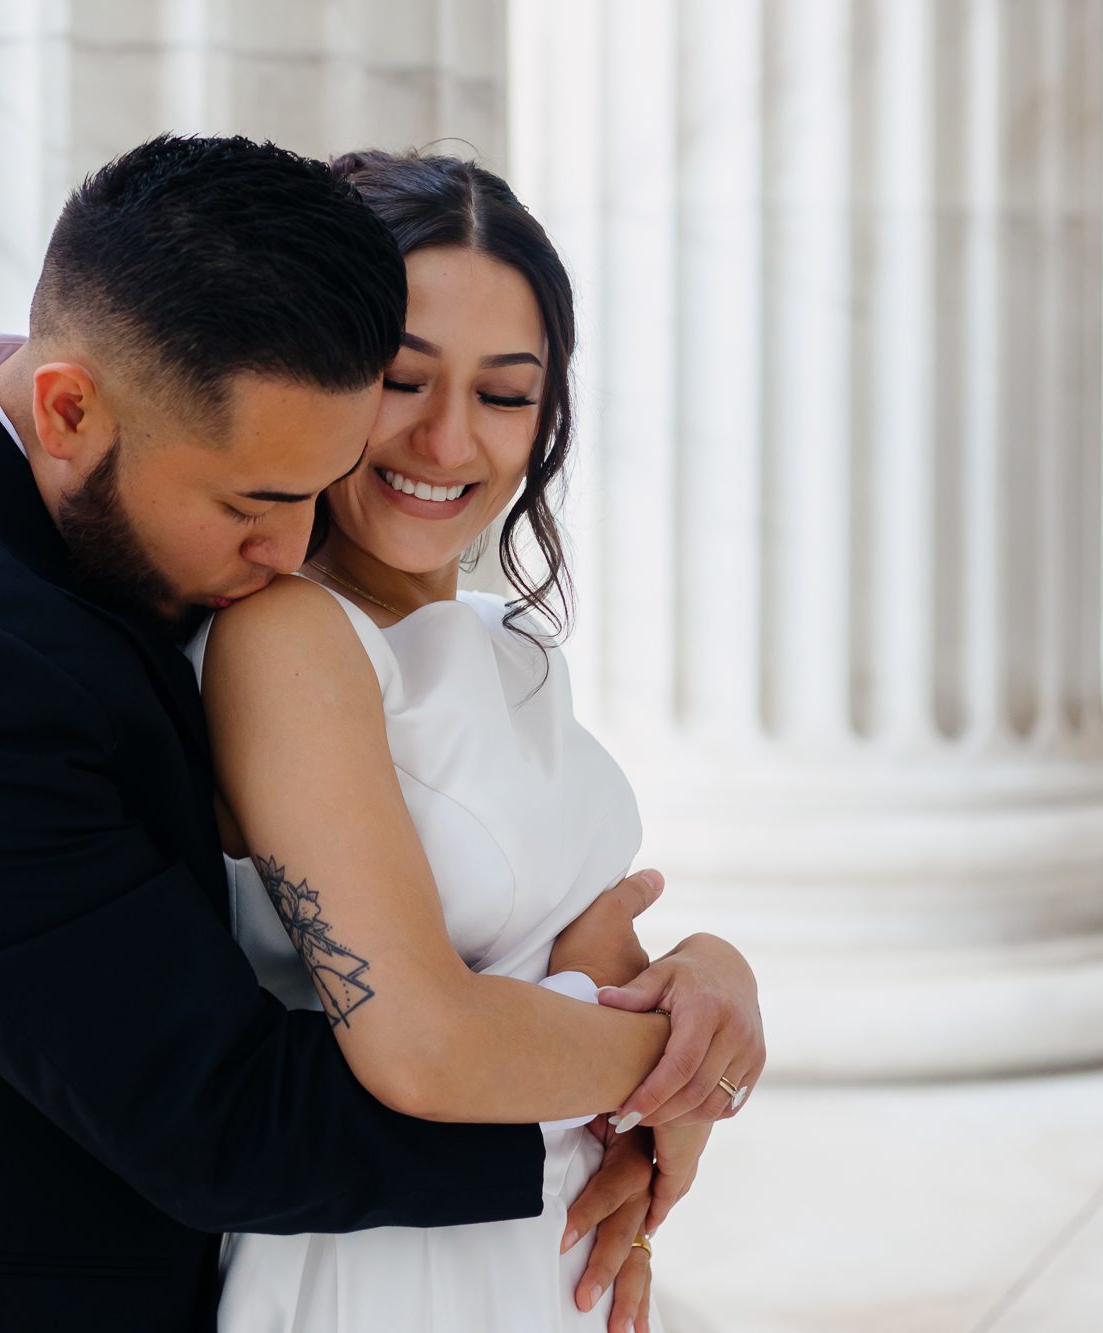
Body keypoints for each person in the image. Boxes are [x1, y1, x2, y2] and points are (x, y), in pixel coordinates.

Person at [0, 133, 760, 1332]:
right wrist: (666, 1071)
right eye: (253, 505)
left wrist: (703, 986)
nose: (280, 552)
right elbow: (222, 1115)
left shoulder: (134, 495)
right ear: (65, 409)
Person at [191, 150, 765, 1333]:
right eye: (403, 381)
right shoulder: (286, 640)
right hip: (386, 1272)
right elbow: (428, 1047)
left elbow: (595, 948)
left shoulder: (508, 644)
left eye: (504, 395)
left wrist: (710, 969)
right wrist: (686, 1067)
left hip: (547, 1250)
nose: (448, 444)